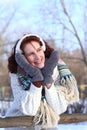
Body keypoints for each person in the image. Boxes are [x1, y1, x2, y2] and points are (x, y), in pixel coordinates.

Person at [5, 34, 79, 130]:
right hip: (19, 126)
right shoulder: (17, 75)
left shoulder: (55, 70)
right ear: (22, 59)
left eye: (39, 50)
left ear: (43, 49)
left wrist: (48, 79)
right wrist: (36, 79)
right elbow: (29, 110)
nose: (38, 57)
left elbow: (59, 108)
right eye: (31, 54)